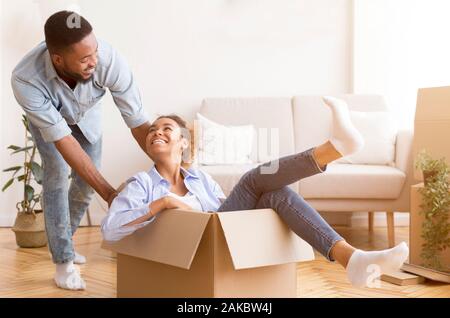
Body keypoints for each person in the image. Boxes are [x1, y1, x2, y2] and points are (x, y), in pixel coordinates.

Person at [101, 97, 409, 288]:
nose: (157, 132)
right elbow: (111, 230)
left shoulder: (200, 179)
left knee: (276, 194)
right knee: (252, 180)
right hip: (197, 247)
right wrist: (164, 203)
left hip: (220, 235)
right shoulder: (141, 185)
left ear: (184, 143)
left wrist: (190, 205)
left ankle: (351, 259)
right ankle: (336, 149)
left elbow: (222, 211)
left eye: (167, 128)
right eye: (153, 130)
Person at [11, 11, 151, 290]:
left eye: (95, 52)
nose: (94, 61)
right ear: (58, 59)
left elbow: (137, 121)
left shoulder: (108, 60)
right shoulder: (26, 79)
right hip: (52, 126)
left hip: (87, 119)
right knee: (57, 175)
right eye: (85, 59)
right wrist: (110, 193)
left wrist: (170, 163)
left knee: (87, 187)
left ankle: (68, 239)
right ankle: (63, 263)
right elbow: (63, 141)